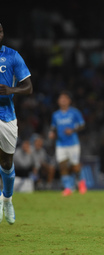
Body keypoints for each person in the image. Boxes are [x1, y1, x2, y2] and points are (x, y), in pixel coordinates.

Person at [0, 23, 33, 224]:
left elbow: (28, 87)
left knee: (6, 163)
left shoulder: (12, 55)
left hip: (7, 116)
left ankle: (7, 199)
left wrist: (11, 91)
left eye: (1, 31)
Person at [48, 91, 86, 196]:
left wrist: (73, 130)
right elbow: (53, 127)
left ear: (69, 101)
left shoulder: (75, 112)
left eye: (65, 99)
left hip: (73, 143)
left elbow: (82, 125)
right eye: (61, 99)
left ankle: (81, 183)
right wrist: (51, 133)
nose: (63, 101)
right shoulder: (55, 115)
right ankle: (68, 188)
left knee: (75, 166)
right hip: (60, 144)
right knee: (62, 165)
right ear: (58, 101)